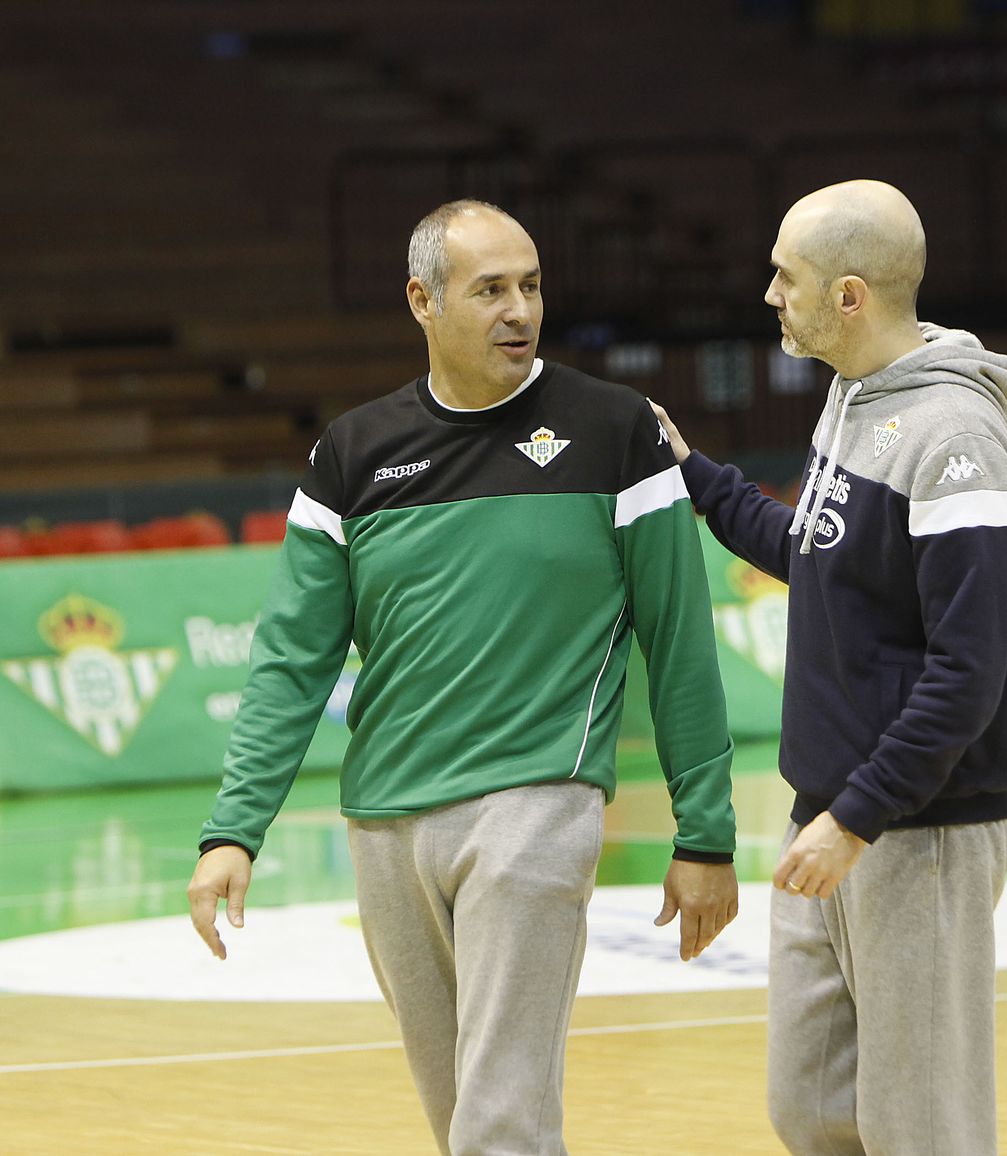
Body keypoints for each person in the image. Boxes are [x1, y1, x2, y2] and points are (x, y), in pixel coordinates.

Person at [186, 199, 739, 1156]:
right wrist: (235, 827)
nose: (519, 309)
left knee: (501, 1120)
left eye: (530, 286)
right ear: (422, 300)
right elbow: (290, 659)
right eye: (490, 290)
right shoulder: (351, 455)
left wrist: (707, 833)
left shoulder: (615, 433)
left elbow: (680, 640)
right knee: (460, 1119)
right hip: (386, 823)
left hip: (538, 805)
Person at [652, 179, 1007, 1156]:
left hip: (915, 829)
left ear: (849, 295)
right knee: (813, 1107)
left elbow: (968, 671)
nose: (771, 293)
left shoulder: (957, 441)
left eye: (788, 276)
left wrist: (857, 818)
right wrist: (697, 478)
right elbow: (819, 556)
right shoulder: (853, 397)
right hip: (829, 810)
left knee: (922, 1126)